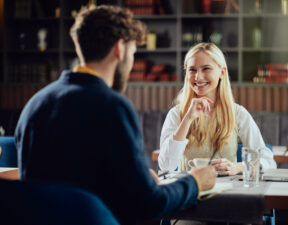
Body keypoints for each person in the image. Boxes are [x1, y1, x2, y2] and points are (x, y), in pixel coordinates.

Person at [15, 6, 217, 225]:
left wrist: (137, 178)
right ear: (119, 49)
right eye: (132, 53)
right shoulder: (113, 107)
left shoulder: (34, 105)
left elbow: (69, 183)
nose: (130, 65)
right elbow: (149, 204)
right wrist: (195, 182)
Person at [159, 42, 276, 174]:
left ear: (222, 72)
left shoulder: (237, 113)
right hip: (190, 190)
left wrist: (238, 167)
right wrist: (187, 119)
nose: (198, 77)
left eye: (206, 68)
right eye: (192, 70)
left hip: (228, 192)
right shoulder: (176, 114)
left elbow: (269, 162)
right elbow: (166, 166)